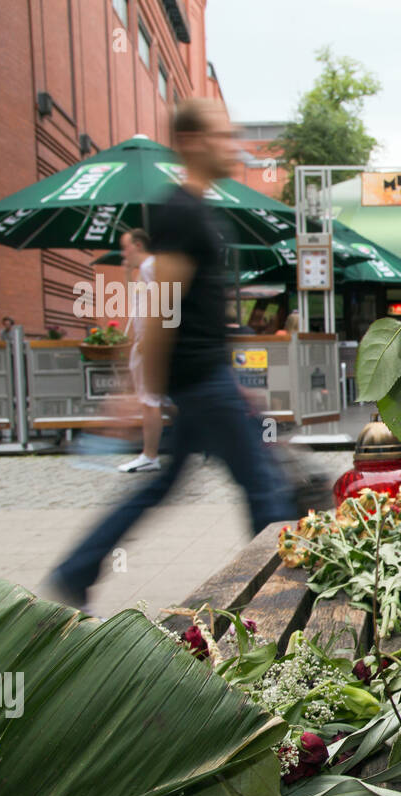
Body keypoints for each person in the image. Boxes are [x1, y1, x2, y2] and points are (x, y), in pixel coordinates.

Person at [47, 98, 297, 613]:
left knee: (162, 486)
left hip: (206, 379)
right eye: (220, 136)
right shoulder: (181, 214)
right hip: (202, 381)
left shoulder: (195, 211)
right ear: (190, 142)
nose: (231, 146)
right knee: (266, 490)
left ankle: (74, 572)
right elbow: (163, 311)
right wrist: (136, 393)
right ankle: (279, 599)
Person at [117, 228, 162, 473]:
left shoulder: (150, 268)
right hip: (147, 342)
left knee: (149, 400)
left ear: (137, 245)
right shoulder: (145, 271)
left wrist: (148, 339)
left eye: (125, 247)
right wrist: (126, 273)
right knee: (159, 399)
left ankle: (150, 455)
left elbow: (164, 302)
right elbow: (136, 303)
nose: (124, 253)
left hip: (149, 343)